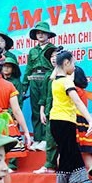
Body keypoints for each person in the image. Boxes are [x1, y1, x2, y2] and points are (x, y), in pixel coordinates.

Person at [46, 49, 92, 183]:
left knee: (70, 156)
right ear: (66, 63)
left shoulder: (55, 81)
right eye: (73, 62)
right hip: (65, 122)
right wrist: (90, 120)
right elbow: (78, 102)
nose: (74, 66)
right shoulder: (67, 81)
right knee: (70, 157)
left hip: (56, 121)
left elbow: (54, 73)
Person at [23, 21, 56, 150]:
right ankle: (37, 138)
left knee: (46, 109)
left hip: (47, 78)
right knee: (36, 110)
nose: (40, 35)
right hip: (34, 79)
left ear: (48, 35)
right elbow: (28, 68)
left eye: (43, 32)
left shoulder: (53, 49)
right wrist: (24, 86)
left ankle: (46, 139)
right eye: (38, 33)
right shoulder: (32, 51)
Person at [72, 67, 92, 169]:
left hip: (75, 121)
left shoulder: (74, 90)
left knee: (65, 155)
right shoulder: (81, 90)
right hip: (82, 122)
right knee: (86, 155)